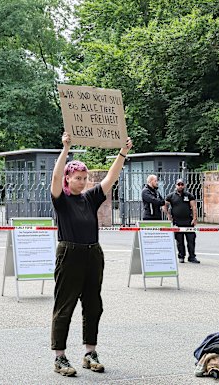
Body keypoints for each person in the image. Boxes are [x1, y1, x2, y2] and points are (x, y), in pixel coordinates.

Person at [50, 132, 133, 377]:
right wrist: (65, 149)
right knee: (64, 306)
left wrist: (123, 153)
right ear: (68, 179)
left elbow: (111, 177)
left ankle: (90, 352)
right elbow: (55, 176)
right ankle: (59, 357)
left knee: (93, 305)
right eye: (78, 178)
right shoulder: (61, 200)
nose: (83, 182)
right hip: (69, 253)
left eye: (85, 178)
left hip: (92, 254)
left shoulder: (90, 198)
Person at [164, 178, 200, 263]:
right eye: (179, 184)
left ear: (184, 185)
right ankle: (181, 256)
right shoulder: (171, 196)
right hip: (177, 222)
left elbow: (194, 207)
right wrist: (168, 215)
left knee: (191, 240)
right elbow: (164, 205)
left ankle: (192, 257)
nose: (180, 186)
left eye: (182, 184)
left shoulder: (189, 195)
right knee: (179, 241)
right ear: (176, 185)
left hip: (188, 221)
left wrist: (195, 218)